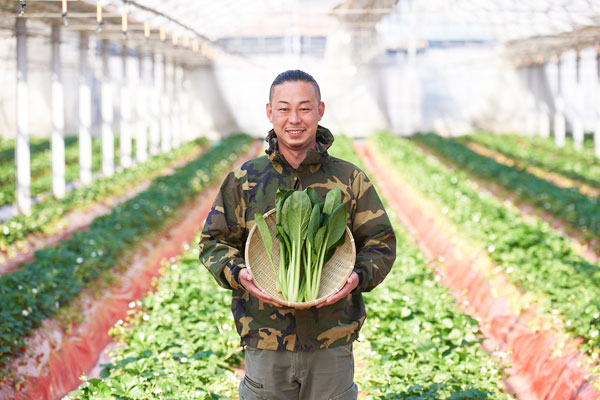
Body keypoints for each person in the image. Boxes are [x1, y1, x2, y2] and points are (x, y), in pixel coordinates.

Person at [198, 69, 396, 400]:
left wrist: (358, 276)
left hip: (331, 341)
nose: (294, 119)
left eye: (304, 108)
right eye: (284, 108)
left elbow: (380, 244)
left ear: (320, 111)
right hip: (265, 340)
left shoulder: (349, 178)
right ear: (269, 112)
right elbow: (213, 243)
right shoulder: (245, 179)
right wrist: (238, 273)